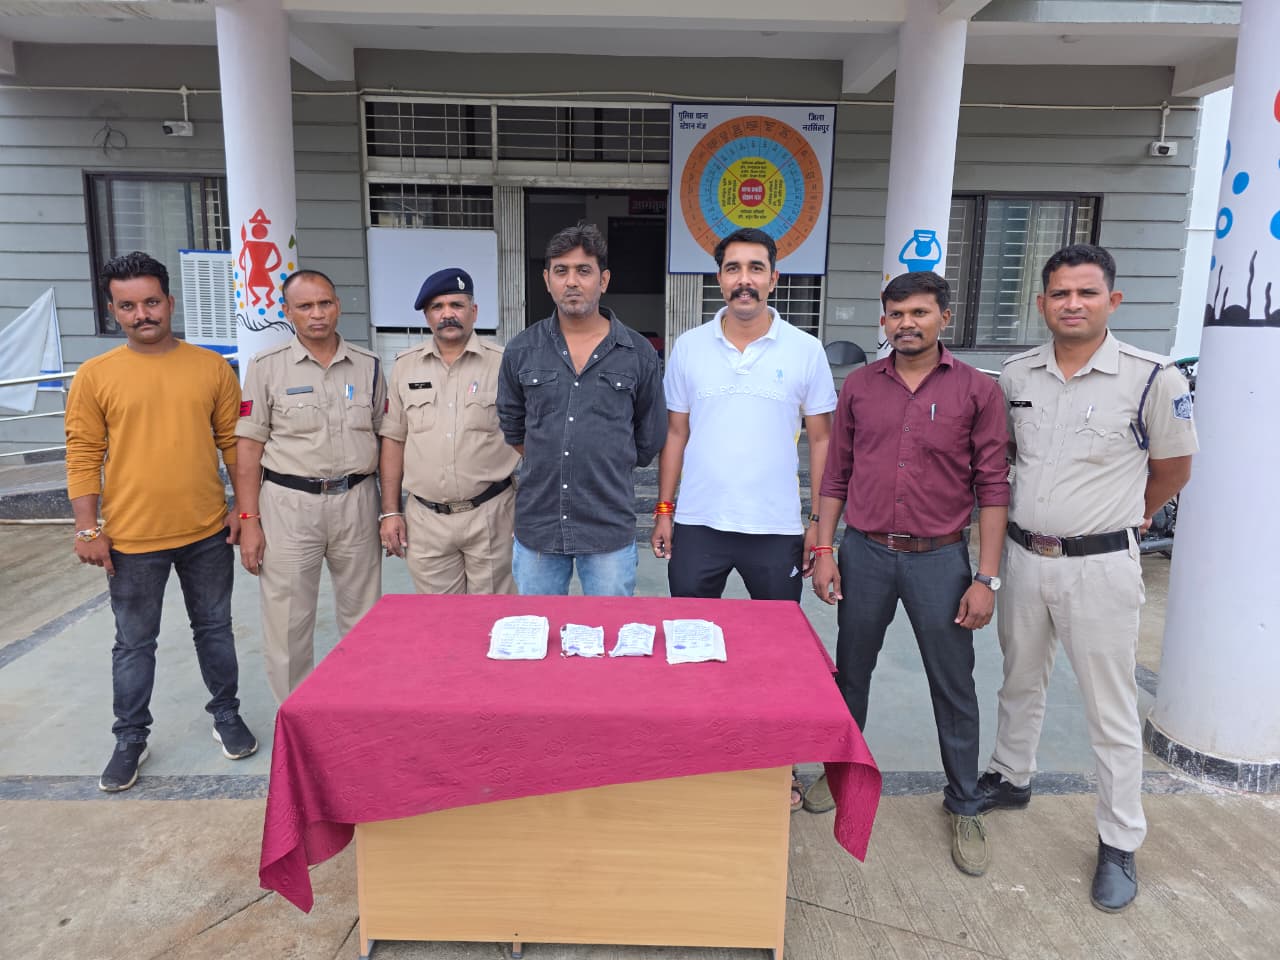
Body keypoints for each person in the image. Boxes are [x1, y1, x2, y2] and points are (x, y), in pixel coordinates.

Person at [979, 244, 1197, 912]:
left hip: (1101, 567)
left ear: (1112, 301)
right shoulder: (1016, 376)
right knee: (1019, 679)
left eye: (1087, 292)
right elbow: (1006, 459)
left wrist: (1127, 517)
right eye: (1060, 293)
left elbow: (1174, 468)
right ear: (1041, 302)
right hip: (1024, 558)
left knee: (1110, 707)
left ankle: (1119, 839)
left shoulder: (1153, 378)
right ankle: (1011, 776)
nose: (1072, 304)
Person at [810, 271, 1009, 877]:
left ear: (944, 317)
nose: (906, 324)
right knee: (852, 673)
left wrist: (986, 578)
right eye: (896, 314)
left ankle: (965, 801)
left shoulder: (977, 390)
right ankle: (839, 774)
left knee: (953, 685)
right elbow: (836, 474)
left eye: (919, 312)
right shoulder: (860, 386)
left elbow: (993, 488)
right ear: (883, 320)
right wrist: (825, 548)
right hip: (865, 555)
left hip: (940, 561)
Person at [65, 251, 258, 793]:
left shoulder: (211, 368)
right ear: (113, 311)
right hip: (131, 540)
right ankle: (130, 737)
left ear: (170, 302)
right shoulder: (95, 376)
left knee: (214, 629)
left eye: (151, 302)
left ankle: (226, 713)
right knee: (134, 644)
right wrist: (87, 528)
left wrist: (244, 512)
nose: (142, 314)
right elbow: (82, 454)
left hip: (207, 532)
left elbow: (234, 446)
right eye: (128, 306)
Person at [652, 226, 835, 600]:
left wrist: (817, 523)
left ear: (773, 279)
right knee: (689, 628)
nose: (744, 280)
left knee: (776, 631)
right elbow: (675, 433)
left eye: (756, 268)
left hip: (776, 526)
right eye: (733, 268)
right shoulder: (689, 347)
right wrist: (664, 510)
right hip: (698, 522)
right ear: (719, 278)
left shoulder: (806, 350)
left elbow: (822, 440)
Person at [235, 269, 386, 703]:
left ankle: (359, 708)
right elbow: (249, 449)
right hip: (289, 506)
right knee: (288, 620)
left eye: (324, 303)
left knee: (364, 615)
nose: (317, 314)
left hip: (357, 501)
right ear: (288, 312)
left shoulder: (369, 365)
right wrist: (249, 520)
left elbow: (386, 436)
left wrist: (389, 509)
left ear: (337, 306)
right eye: (305, 306)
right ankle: (295, 716)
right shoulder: (266, 367)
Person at [497, 223, 666, 596]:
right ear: (547, 280)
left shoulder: (637, 353)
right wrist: (551, 453)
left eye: (583, 271)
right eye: (561, 271)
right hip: (539, 525)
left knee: (609, 629)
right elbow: (513, 426)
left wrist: (602, 458)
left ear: (603, 280)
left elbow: (649, 436)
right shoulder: (522, 350)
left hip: (608, 526)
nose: (571, 281)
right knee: (538, 627)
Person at [378, 267, 519, 593]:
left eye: (456, 305)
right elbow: (394, 440)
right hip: (427, 520)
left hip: (492, 514)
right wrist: (390, 512)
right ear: (427, 316)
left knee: (494, 614)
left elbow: (529, 437)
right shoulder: (405, 366)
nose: (447, 314)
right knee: (438, 617)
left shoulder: (505, 363)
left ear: (474, 311)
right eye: (437, 307)